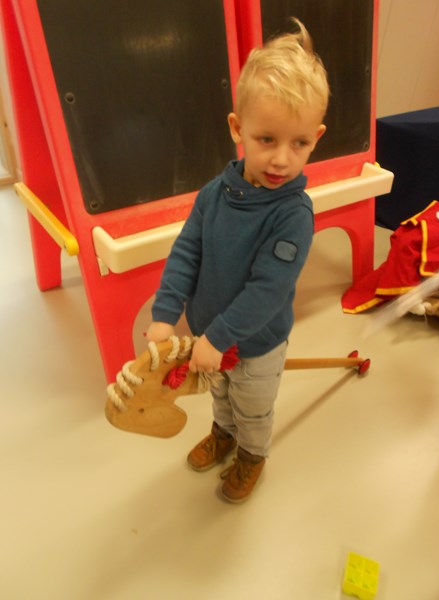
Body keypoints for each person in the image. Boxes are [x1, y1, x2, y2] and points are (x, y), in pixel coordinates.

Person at [147, 18, 329, 503]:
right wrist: (165, 314)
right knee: (220, 393)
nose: (282, 159)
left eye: (299, 143)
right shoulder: (214, 193)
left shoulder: (293, 215)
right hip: (208, 337)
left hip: (257, 344)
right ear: (237, 128)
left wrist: (219, 337)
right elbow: (187, 251)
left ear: (316, 137)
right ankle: (223, 435)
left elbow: (268, 290)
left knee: (252, 405)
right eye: (267, 139)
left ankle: (252, 454)